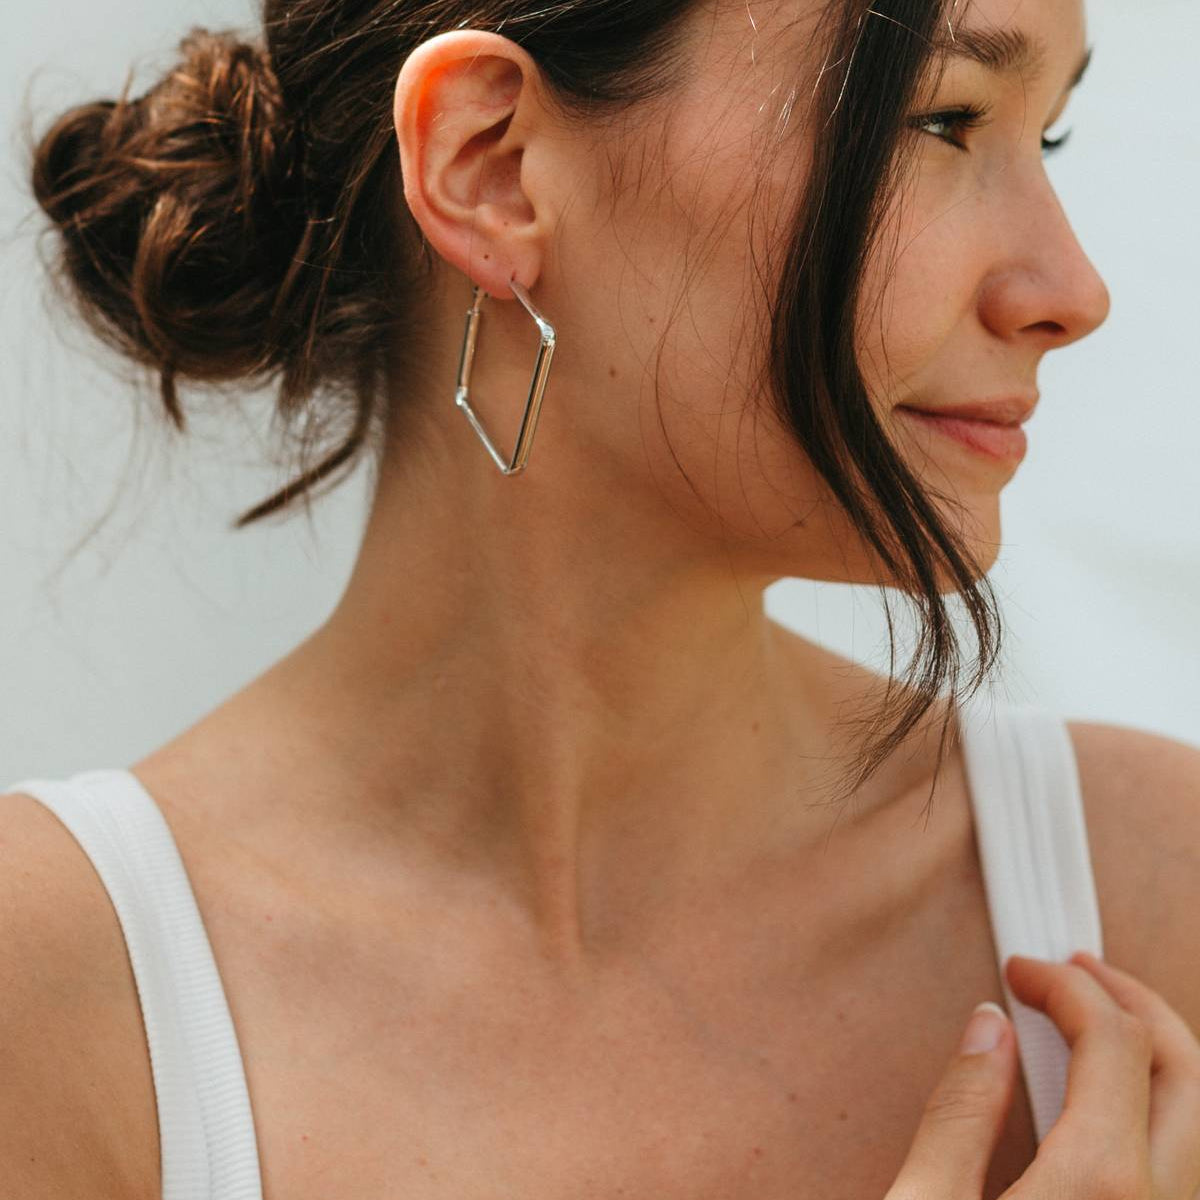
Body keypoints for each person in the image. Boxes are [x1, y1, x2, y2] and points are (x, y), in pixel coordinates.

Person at [4, 0, 1199, 1196]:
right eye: (943, 120)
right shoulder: (54, 997)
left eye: (1046, 137)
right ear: (493, 167)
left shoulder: (1149, 890)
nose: (1072, 291)